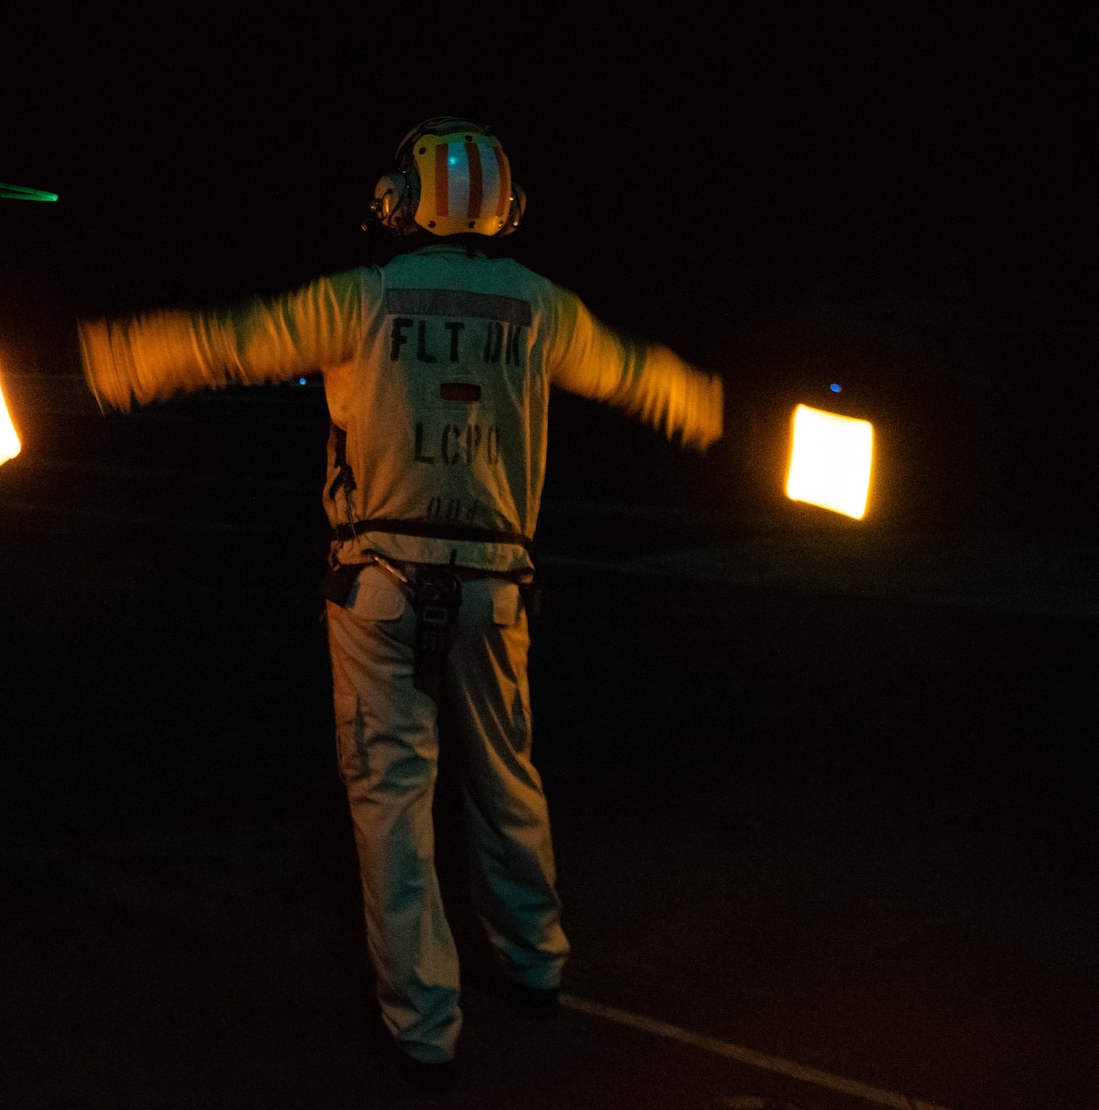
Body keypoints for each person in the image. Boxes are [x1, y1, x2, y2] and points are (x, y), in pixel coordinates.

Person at [76, 117, 723, 1091]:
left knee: (391, 802)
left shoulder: (363, 297)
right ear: (501, 203)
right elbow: (642, 377)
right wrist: (715, 407)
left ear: (399, 198)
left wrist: (116, 359)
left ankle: (425, 1027)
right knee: (507, 779)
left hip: (375, 582)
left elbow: (230, 342)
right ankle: (534, 964)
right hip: (496, 586)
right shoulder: (539, 307)